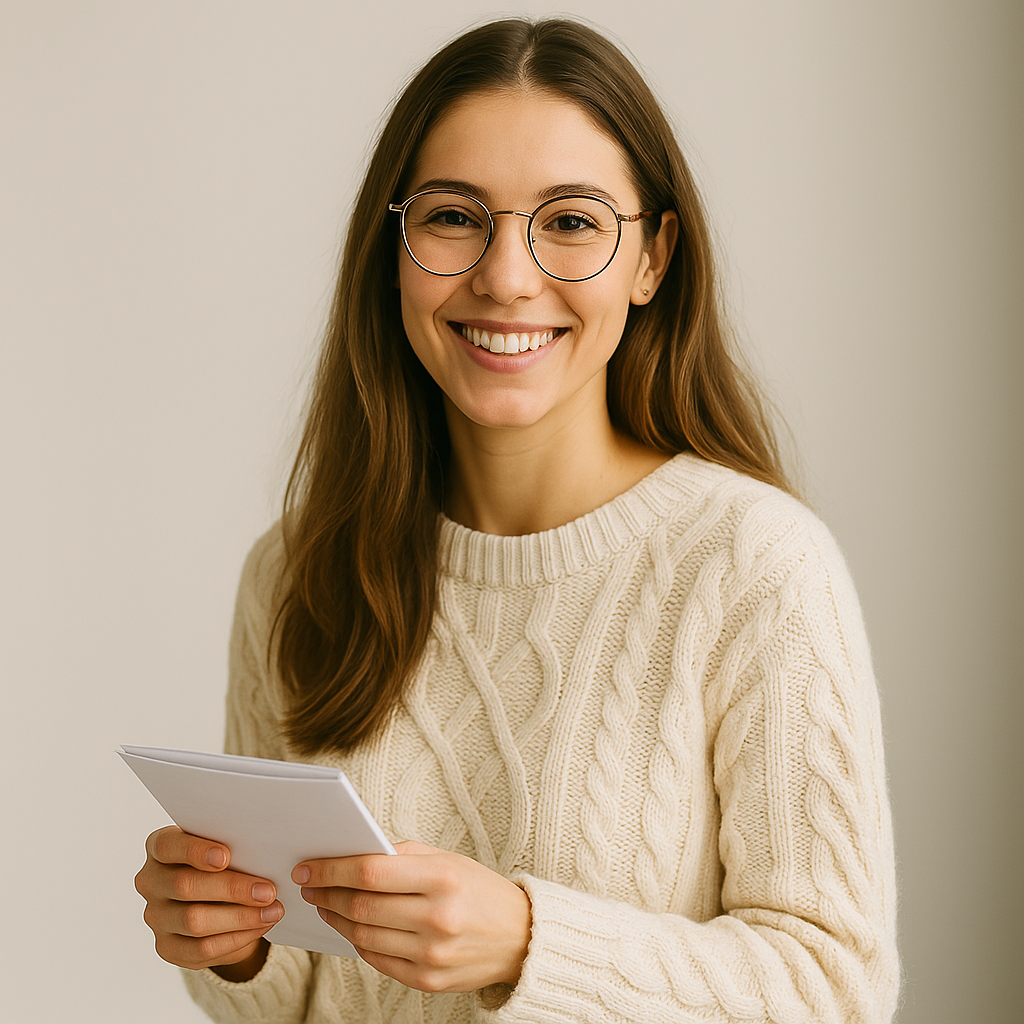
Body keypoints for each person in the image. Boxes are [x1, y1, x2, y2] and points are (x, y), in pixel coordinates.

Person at [133, 17, 899, 1024]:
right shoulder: (295, 571)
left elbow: (837, 988)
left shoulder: (754, 563)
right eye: (453, 217)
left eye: (571, 221)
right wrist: (229, 946)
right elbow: (293, 1003)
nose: (504, 275)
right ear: (393, 246)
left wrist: (531, 942)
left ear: (652, 259)